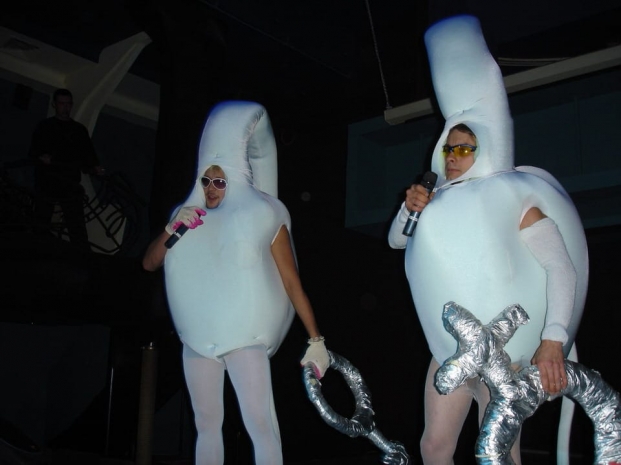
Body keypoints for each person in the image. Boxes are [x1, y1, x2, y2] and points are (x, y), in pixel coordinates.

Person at [387, 16, 588, 465]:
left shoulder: (515, 196)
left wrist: (553, 339)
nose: (453, 156)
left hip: (506, 354)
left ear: (486, 146)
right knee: (434, 446)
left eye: (465, 148)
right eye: (449, 147)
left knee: (498, 450)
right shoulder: (435, 199)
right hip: (452, 350)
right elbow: (398, 241)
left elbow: (560, 265)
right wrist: (410, 208)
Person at [142, 101, 329, 465]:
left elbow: (291, 282)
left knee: (260, 425)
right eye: (206, 181)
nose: (211, 188)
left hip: (244, 338)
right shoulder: (186, 218)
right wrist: (171, 228)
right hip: (198, 338)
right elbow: (149, 263)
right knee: (206, 425)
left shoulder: (263, 213)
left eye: (220, 181)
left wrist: (315, 338)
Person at [28, 88, 104, 250]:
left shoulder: (79, 130)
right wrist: (42, 157)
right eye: (62, 104)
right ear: (54, 104)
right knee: (41, 220)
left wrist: (94, 167)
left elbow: (87, 154)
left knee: (76, 224)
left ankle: (82, 255)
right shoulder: (45, 126)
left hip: (70, 181)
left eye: (68, 104)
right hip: (48, 180)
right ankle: (36, 252)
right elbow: (34, 152)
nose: (65, 107)